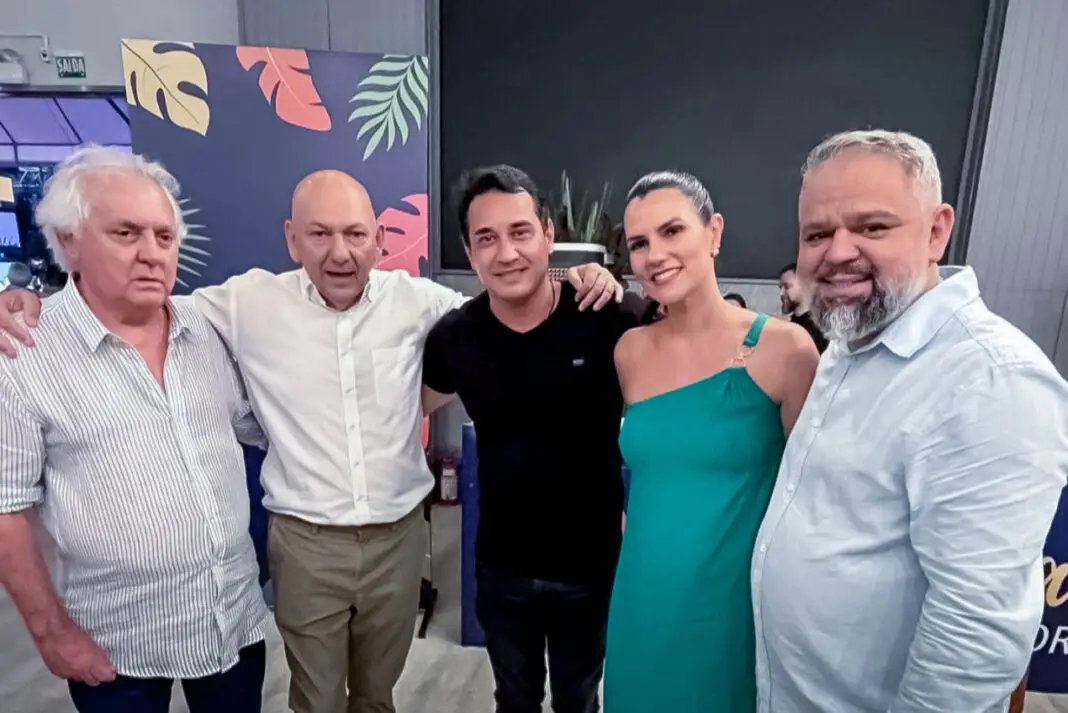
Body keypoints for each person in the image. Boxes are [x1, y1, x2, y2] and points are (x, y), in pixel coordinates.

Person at [0, 168, 621, 713]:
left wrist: (582, 277)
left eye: (355, 234)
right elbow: (131, 298)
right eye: (319, 234)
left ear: (380, 238)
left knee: (378, 695)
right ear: (292, 239)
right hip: (305, 545)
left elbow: (509, 297)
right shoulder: (242, 305)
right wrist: (29, 299)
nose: (340, 252)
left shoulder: (423, 304)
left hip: (399, 540)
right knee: (317, 700)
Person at [752, 129, 1068, 713]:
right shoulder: (850, 346)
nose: (838, 252)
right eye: (817, 234)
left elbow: (972, 634)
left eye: (872, 227)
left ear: (937, 231)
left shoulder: (990, 378)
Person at [0, 146, 270, 713]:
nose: (151, 253)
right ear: (70, 241)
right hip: (116, 644)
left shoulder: (209, 328)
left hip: (232, 619)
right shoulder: (23, 353)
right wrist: (52, 635)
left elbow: (262, 424)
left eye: (164, 236)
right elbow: (6, 508)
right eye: (125, 233)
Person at [421, 165, 650, 713]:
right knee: (515, 699)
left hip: (591, 566)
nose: (506, 253)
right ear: (469, 252)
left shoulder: (605, 316)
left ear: (548, 234)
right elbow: (405, 413)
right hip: (502, 567)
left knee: (579, 699)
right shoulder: (456, 337)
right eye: (486, 239)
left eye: (520, 232)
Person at [605, 171, 819, 713]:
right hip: (640, 597)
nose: (655, 254)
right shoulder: (629, 352)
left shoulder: (786, 350)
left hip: (730, 609)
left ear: (714, 232)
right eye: (639, 243)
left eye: (672, 230)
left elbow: (817, 500)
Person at [778, 263, 827, 352]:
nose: (781, 293)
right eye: (780, 288)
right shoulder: (795, 324)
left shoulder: (820, 326)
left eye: (787, 286)